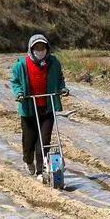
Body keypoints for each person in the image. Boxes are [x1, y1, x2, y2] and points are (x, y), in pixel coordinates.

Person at [10, 33, 68, 180]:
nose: (40, 50)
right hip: (29, 108)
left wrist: (62, 88)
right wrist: (19, 93)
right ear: (31, 48)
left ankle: (41, 170)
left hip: (47, 107)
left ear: (47, 48)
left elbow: (60, 78)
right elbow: (15, 82)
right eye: (37, 47)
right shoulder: (21, 65)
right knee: (29, 141)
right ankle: (28, 160)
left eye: (42, 47)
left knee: (44, 140)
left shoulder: (53, 63)